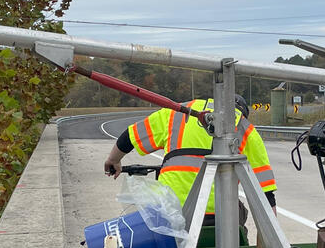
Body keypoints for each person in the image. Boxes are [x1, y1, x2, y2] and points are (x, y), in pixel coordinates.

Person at [103, 94, 277, 224]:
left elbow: (130, 136)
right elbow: (265, 194)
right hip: (218, 215)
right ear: (242, 112)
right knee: (240, 212)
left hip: (168, 210)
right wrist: (274, 245)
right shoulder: (245, 127)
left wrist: (113, 160)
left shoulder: (175, 113)